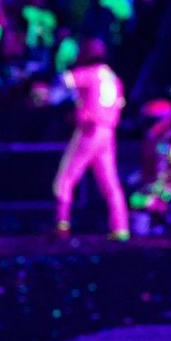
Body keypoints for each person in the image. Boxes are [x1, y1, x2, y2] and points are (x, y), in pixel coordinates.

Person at [53, 37, 129, 239]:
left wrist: (63, 62)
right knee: (110, 183)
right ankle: (120, 228)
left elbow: (64, 81)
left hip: (89, 131)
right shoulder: (115, 79)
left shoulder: (90, 74)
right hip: (108, 132)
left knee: (65, 179)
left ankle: (62, 224)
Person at [129, 97, 171, 234]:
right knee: (136, 200)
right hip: (149, 187)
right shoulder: (150, 140)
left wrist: (168, 188)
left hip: (168, 190)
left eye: (152, 120)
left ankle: (167, 220)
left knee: (154, 203)